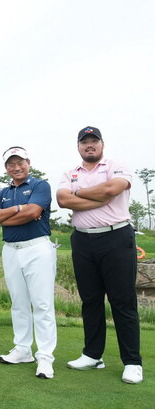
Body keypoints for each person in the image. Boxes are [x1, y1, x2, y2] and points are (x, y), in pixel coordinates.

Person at [56, 126, 142, 384]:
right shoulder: (70, 173)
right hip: (82, 240)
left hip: (116, 237)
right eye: (84, 142)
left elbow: (111, 189)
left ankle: (132, 362)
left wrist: (79, 194)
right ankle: (93, 355)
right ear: (79, 146)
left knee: (122, 301)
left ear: (102, 144)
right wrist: (95, 197)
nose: (89, 145)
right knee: (90, 300)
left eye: (94, 141)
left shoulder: (116, 164)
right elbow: (62, 199)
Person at [0, 146, 57, 379]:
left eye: (20, 163)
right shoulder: (3, 191)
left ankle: (45, 357)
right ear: (6, 167)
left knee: (42, 304)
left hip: (37, 248)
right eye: (11, 164)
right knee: (18, 302)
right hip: (11, 250)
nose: (16, 167)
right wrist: (19, 209)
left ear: (28, 162)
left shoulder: (40, 185)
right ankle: (23, 349)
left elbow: (34, 212)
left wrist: (9, 213)